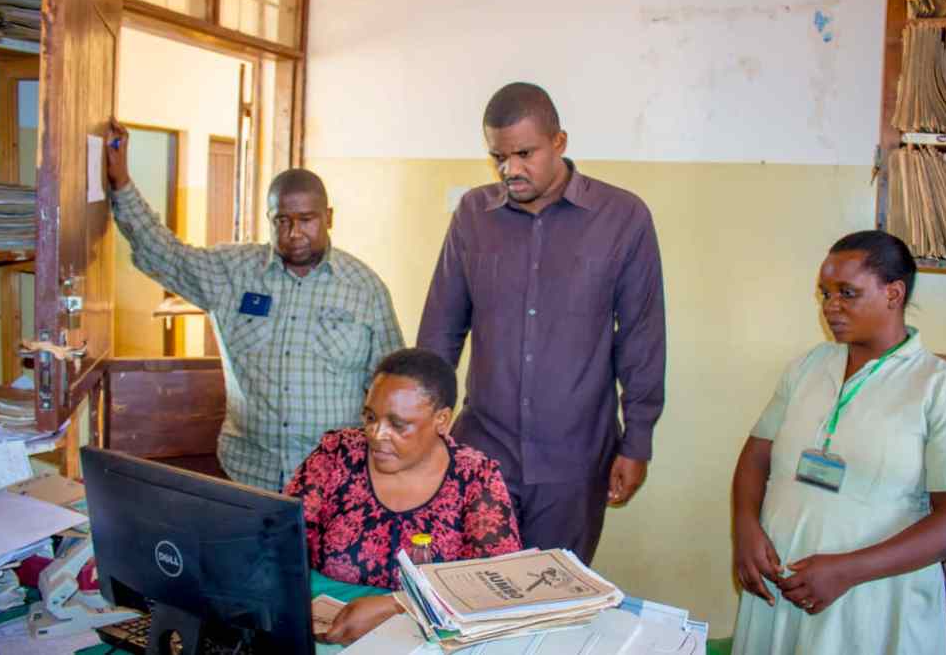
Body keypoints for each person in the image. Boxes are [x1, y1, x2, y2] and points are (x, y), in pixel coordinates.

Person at [416, 83, 666, 564]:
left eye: (524, 154)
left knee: (554, 593)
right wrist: (426, 427)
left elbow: (642, 338)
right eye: (498, 157)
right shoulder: (473, 215)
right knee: (470, 588)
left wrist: (638, 441)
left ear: (559, 142)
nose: (510, 170)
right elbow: (441, 330)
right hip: (482, 453)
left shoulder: (623, 217)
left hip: (575, 460)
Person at [731, 230, 946, 655]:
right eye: (825, 294)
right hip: (783, 585)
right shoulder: (808, 367)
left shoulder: (942, 388)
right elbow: (755, 457)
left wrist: (847, 570)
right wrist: (746, 530)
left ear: (893, 293)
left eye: (847, 293)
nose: (830, 306)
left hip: (873, 601)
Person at [105, 119, 404, 491]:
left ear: (328, 217)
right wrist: (122, 183)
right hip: (249, 474)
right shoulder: (232, 273)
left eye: (307, 220)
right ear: (269, 220)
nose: (294, 233)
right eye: (282, 221)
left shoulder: (365, 289)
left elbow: (392, 388)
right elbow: (165, 254)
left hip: (335, 481)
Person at [284, 347, 522, 645]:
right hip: (327, 637)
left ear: (442, 420)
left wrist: (399, 605)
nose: (376, 434)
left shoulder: (475, 478)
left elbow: (497, 584)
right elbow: (277, 544)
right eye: (370, 417)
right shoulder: (335, 456)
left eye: (398, 424)